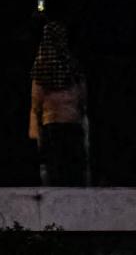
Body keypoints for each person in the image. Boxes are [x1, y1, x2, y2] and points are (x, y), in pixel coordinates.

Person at [28, 19, 88, 184]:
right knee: (69, 172)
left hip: (55, 126)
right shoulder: (71, 65)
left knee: (58, 172)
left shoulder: (44, 65)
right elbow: (82, 97)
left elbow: (36, 102)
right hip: (68, 124)